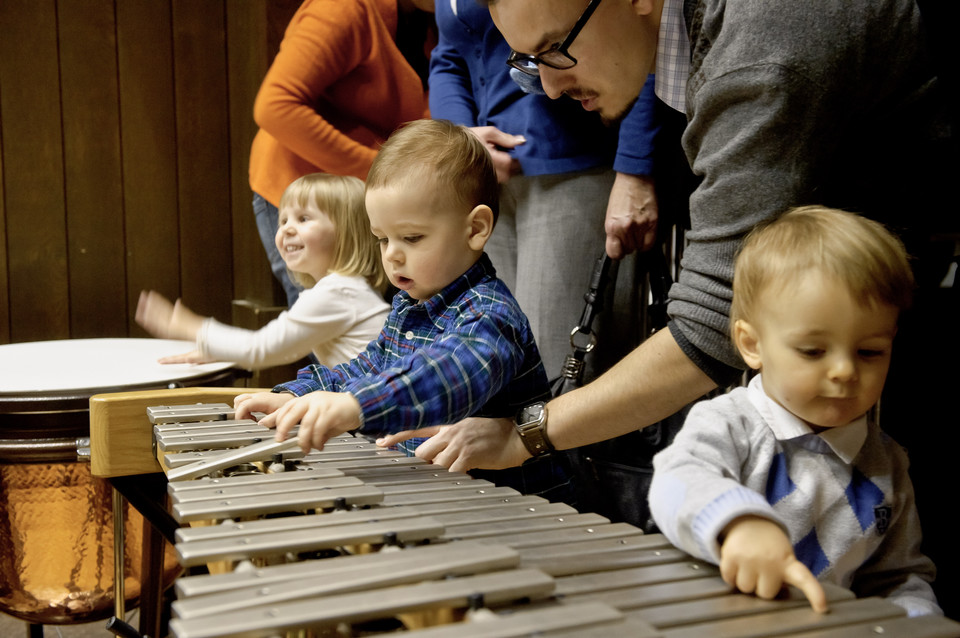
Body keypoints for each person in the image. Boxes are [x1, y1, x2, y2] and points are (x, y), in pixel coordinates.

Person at [377, 0, 956, 609]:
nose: (547, 87)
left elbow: (709, 324)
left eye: (554, 48)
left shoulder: (765, 41)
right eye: (528, 61)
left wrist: (526, 434)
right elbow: (687, 477)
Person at [235, 119, 571, 500]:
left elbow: (445, 376)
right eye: (382, 238)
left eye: (411, 237)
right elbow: (366, 367)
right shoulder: (409, 305)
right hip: (438, 497)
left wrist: (356, 406)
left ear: (475, 228)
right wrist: (299, 395)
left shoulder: (489, 315)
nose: (392, 255)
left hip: (511, 511)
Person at [648, 207, 941, 617]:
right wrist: (740, 524)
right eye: (813, 351)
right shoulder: (730, 424)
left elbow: (896, 578)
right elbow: (674, 482)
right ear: (752, 345)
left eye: (870, 352)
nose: (844, 371)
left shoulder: (887, 463)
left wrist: (919, 620)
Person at [429, 0, 663, 379]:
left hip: (577, 161)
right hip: (486, 178)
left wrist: (636, 168)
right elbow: (449, 53)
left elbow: (642, 41)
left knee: (557, 365)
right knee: (495, 363)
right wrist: (460, 138)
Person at [249, 0, 431, 307]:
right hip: (308, 194)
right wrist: (381, 172)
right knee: (329, 325)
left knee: (368, 325)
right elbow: (275, 107)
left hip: (373, 198)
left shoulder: (438, 22)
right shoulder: (343, 7)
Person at [136, 174, 390, 370]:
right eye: (283, 220)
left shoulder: (339, 292)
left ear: (347, 233)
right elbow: (287, 348)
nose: (287, 229)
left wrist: (191, 327)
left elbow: (260, 349)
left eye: (303, 219)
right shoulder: (344, 290)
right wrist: (221, 349)